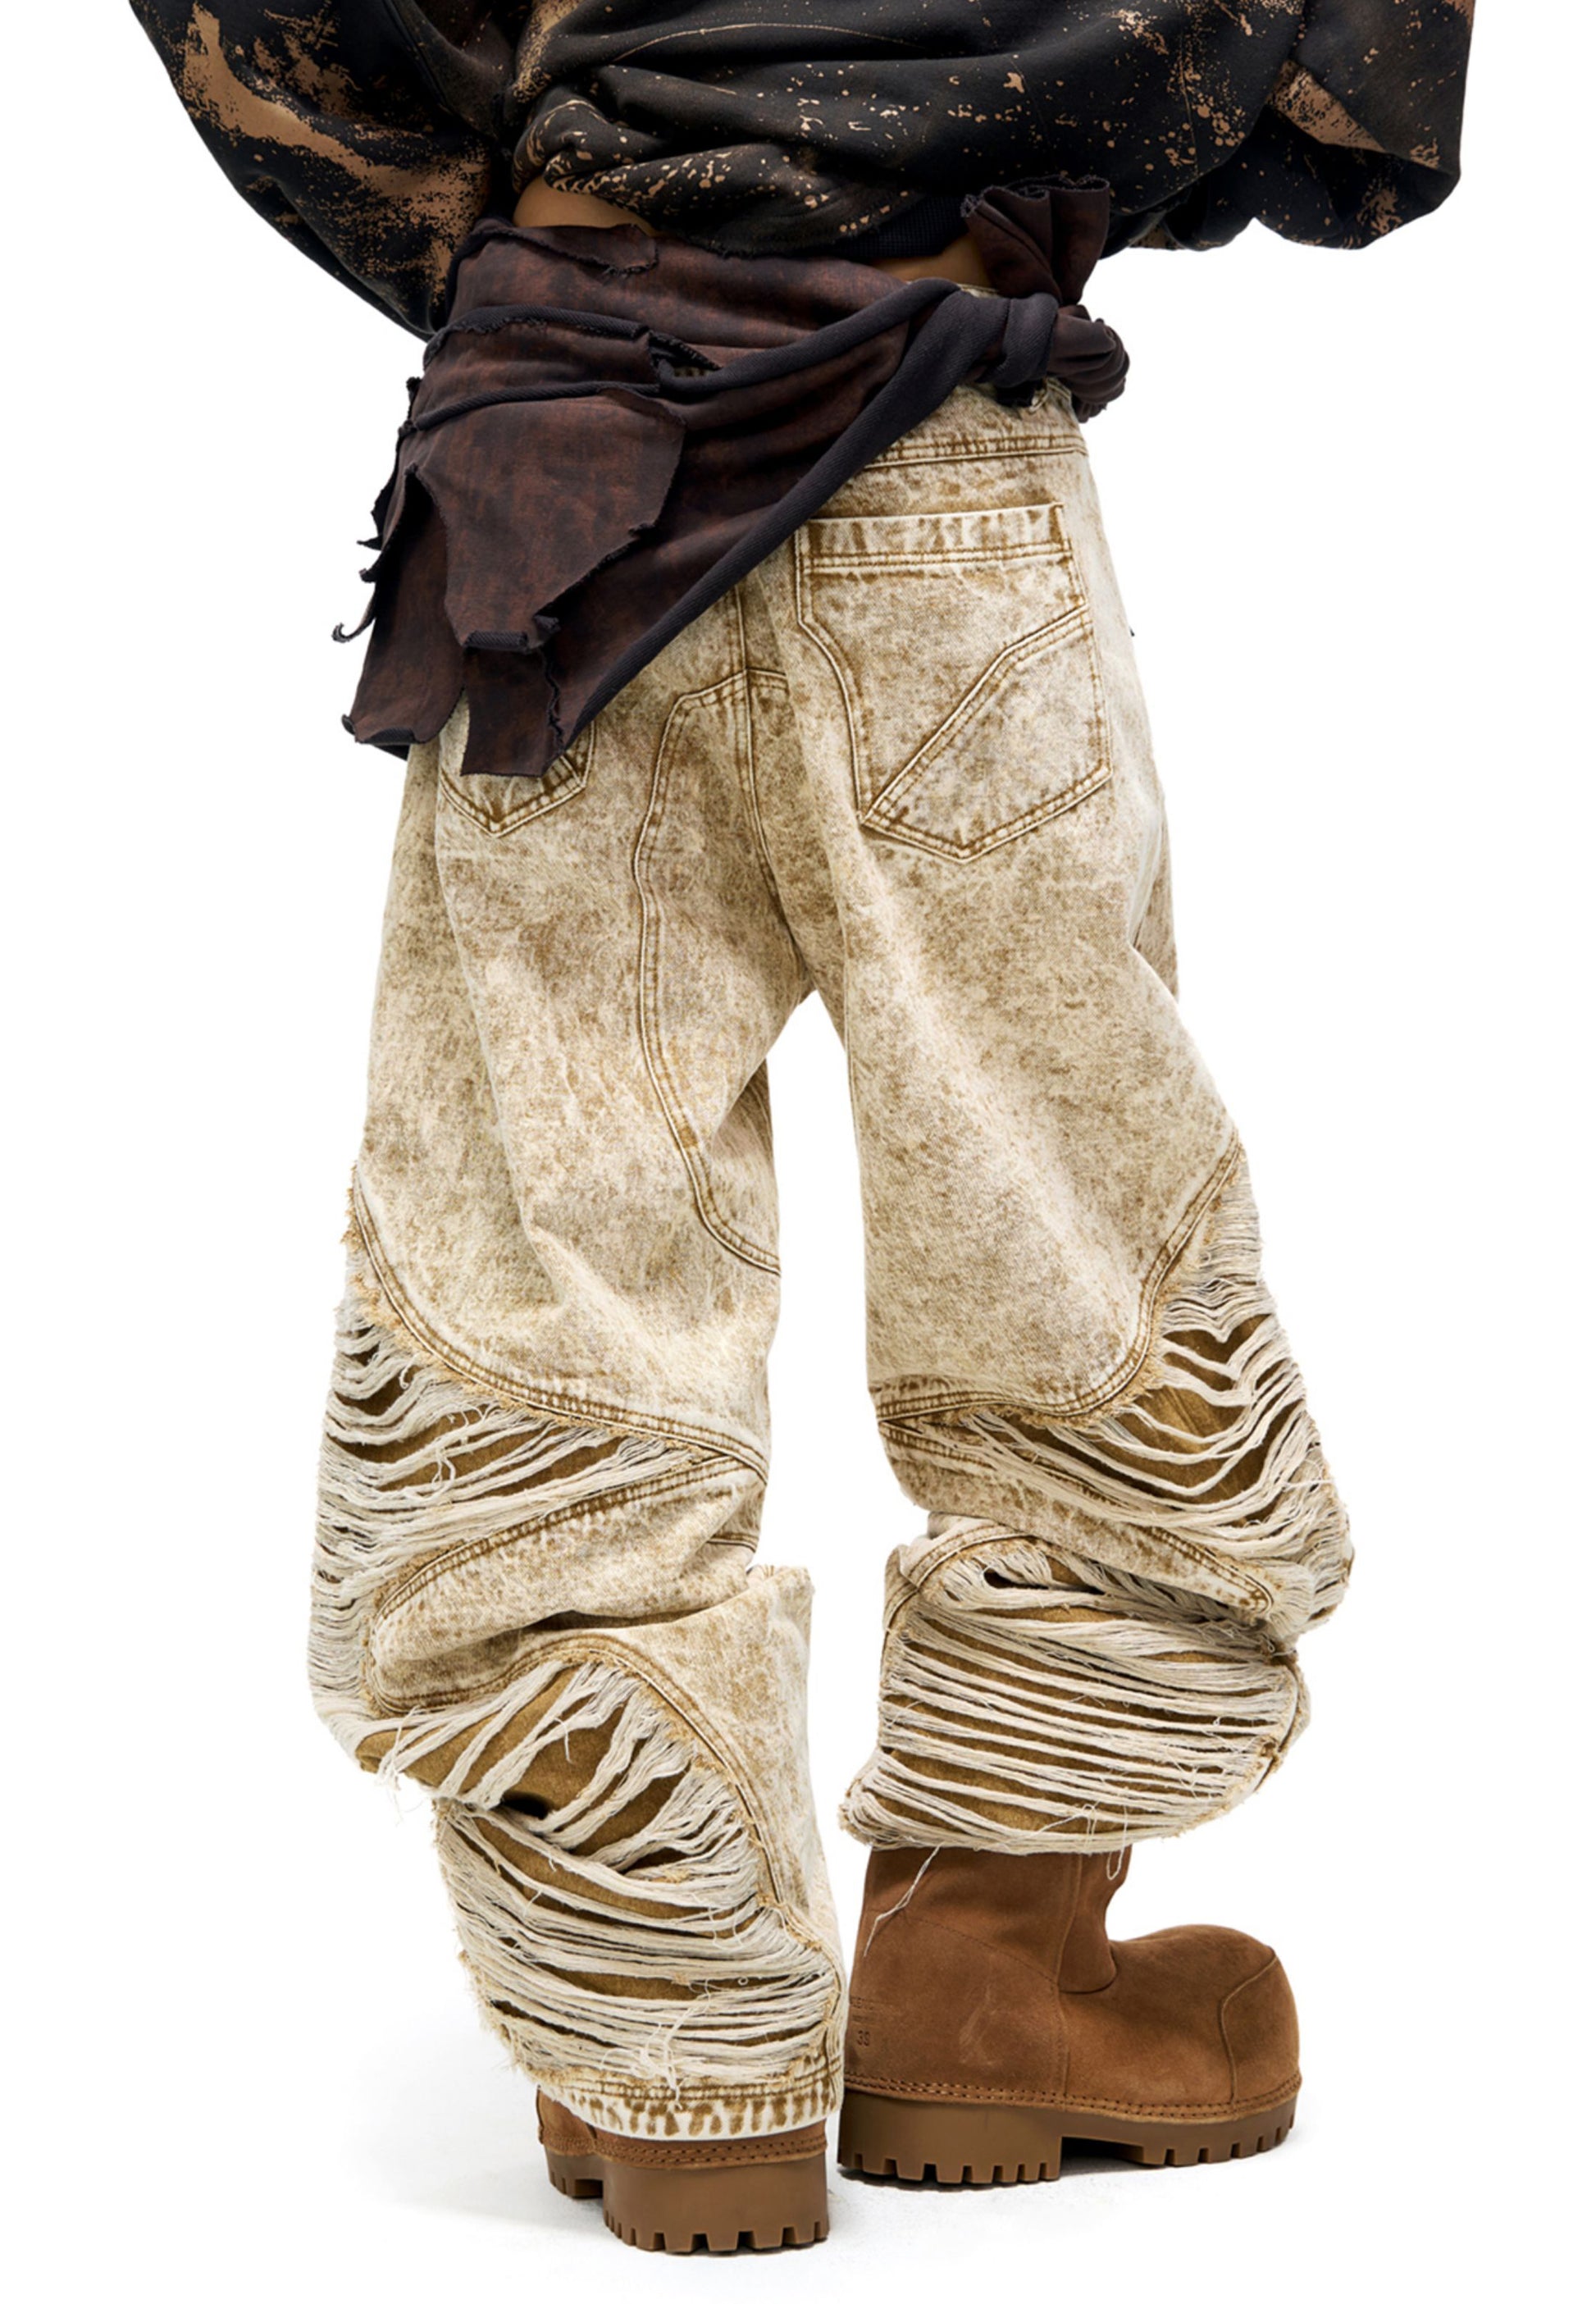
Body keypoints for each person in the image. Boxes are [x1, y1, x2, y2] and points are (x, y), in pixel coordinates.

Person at [131, 1, 1472, 2256]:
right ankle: (992, 1961)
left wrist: (562, 213)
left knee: (545, 1249)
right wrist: (1000, 135)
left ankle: (664, 2033)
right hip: (938, 436)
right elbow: (1347, 85)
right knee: (1060, 1210)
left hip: (553, 458)